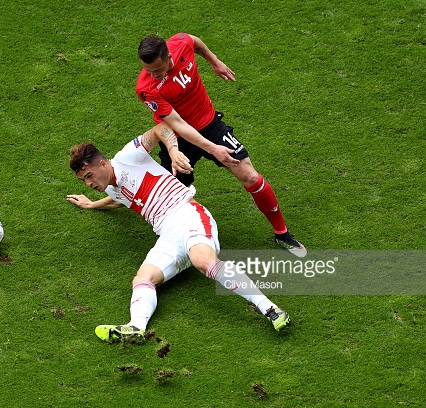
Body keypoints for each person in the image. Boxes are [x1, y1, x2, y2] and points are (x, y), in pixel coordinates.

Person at [67, 123, 290, 343]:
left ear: (103, 164)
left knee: (204, 262)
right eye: (83, 180)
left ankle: (271, 309)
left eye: (89, 175)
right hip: (168, 236)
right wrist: (91, 205)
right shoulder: (112, 188)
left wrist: (173, 151)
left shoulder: (127, 157)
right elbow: (118, 200)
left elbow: (159, 128)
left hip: (188, 215)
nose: (88, 183)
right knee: (143, 279)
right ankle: (136, 328)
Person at [136, 33, 306, 257]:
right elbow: (177, 123)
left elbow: (193, 40)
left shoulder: (180, 45)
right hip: (179, 140)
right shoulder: (147, 88)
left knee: (250, 176)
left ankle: (282, 233)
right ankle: (180, 242)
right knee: (171, 197)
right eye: (148, 71)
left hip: (211, 125)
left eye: (157, 70)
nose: (153, 75)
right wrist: (213, 148)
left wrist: (214, 61)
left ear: (169, 56)